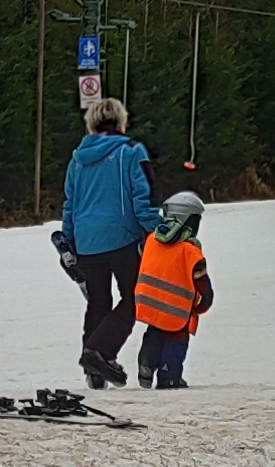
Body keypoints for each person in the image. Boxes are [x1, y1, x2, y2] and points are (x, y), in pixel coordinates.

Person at [59, 95, 158, 385]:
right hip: (122, 239)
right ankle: (99, 352)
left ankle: (94, 371)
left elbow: (70, 204)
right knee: (134, 298)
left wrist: (69, 240)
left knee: (98, 303)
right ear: (121, 121)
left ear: (91, 125)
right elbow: (144, 198)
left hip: (87, 242)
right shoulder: (131, 152)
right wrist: (157, 230)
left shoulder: (77, 160)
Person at [133, 189, 215, 389]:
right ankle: (169, 376)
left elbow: (143, 254)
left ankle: (146, 363)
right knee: (176, 340)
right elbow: (201, 282)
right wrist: (205, 301)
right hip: (178, 308)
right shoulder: (190, 250)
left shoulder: (151, 239)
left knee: (154, 332)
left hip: (149, 302)